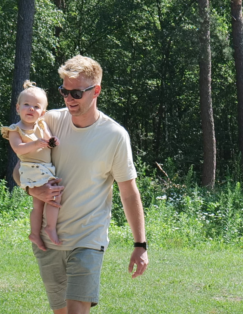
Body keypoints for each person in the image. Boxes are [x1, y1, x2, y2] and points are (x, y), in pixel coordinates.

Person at [24, 55, 150, 314]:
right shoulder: (48, 121)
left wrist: (140, 245)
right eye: (64, 91)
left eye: (77, 93)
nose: (69, 98)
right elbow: (21, 168)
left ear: (96, 91)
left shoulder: (114, 135)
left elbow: (128, 193)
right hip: (49, 240)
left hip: (87, 239)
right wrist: (33, 189)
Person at [3, 80, 64, 248]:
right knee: (54, 195)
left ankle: (35, 233)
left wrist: (53, 141)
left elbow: (49, 140)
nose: (31, 109)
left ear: (43, 113)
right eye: (27, 105)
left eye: (36, 107)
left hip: (43, 168)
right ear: (18, 108)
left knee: (38, 204)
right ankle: (50, 228)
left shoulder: (42, 125)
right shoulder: (15, 129)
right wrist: (36, 143)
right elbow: (18, 149)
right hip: (31, 167)